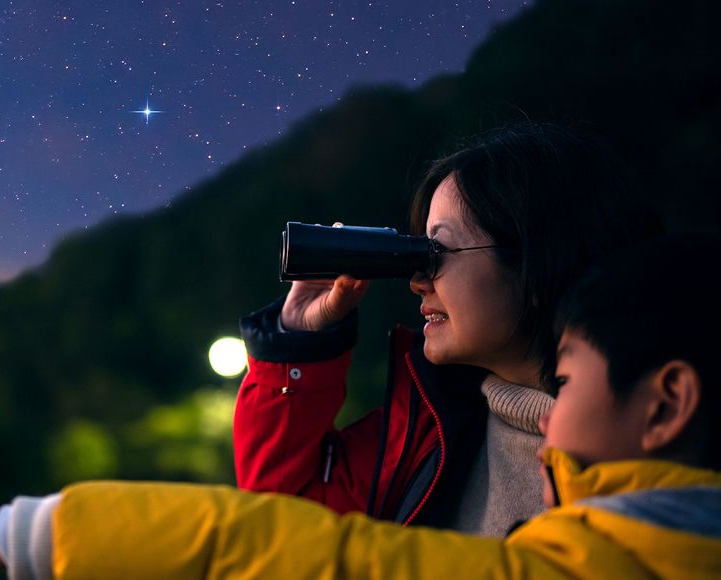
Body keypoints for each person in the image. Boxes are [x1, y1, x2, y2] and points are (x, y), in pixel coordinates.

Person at [0, 234, 721, 580]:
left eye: (444, 244)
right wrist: (298, 359)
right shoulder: (464, 425)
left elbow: (312, 569)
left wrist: (17, 533)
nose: (416, 272)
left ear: (664, 402)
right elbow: (295, 505)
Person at [234, 122, 663, 535]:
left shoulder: (659, 435)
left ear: (537, 262)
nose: (418, 280)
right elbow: (288, 516)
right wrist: (298, 342)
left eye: (437, 251)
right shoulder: (433, 426)